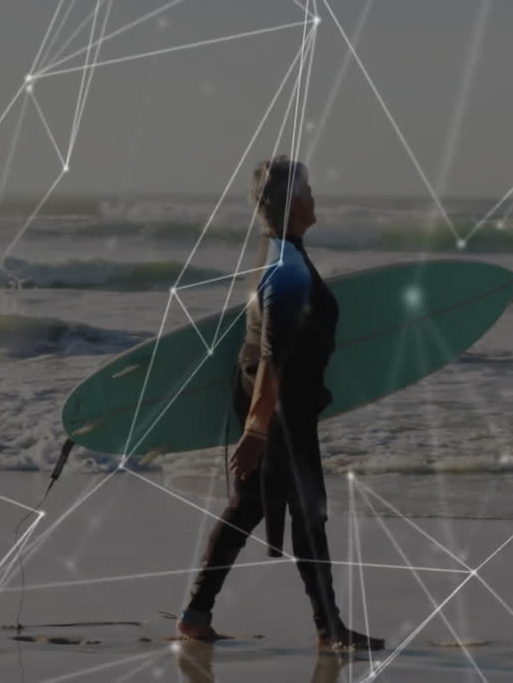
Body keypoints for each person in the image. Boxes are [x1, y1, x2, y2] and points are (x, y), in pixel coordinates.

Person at [175, 155, 385, 652]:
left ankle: (197, 614)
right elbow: (273, 355)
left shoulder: (277, 252)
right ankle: (329, 629)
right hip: (280, 404)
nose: (316, 198)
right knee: (305, 512)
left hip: (275, 398)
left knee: (252, 506)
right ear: (292, 203)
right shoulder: (287, 267)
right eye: (309, 190)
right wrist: (257, 429)